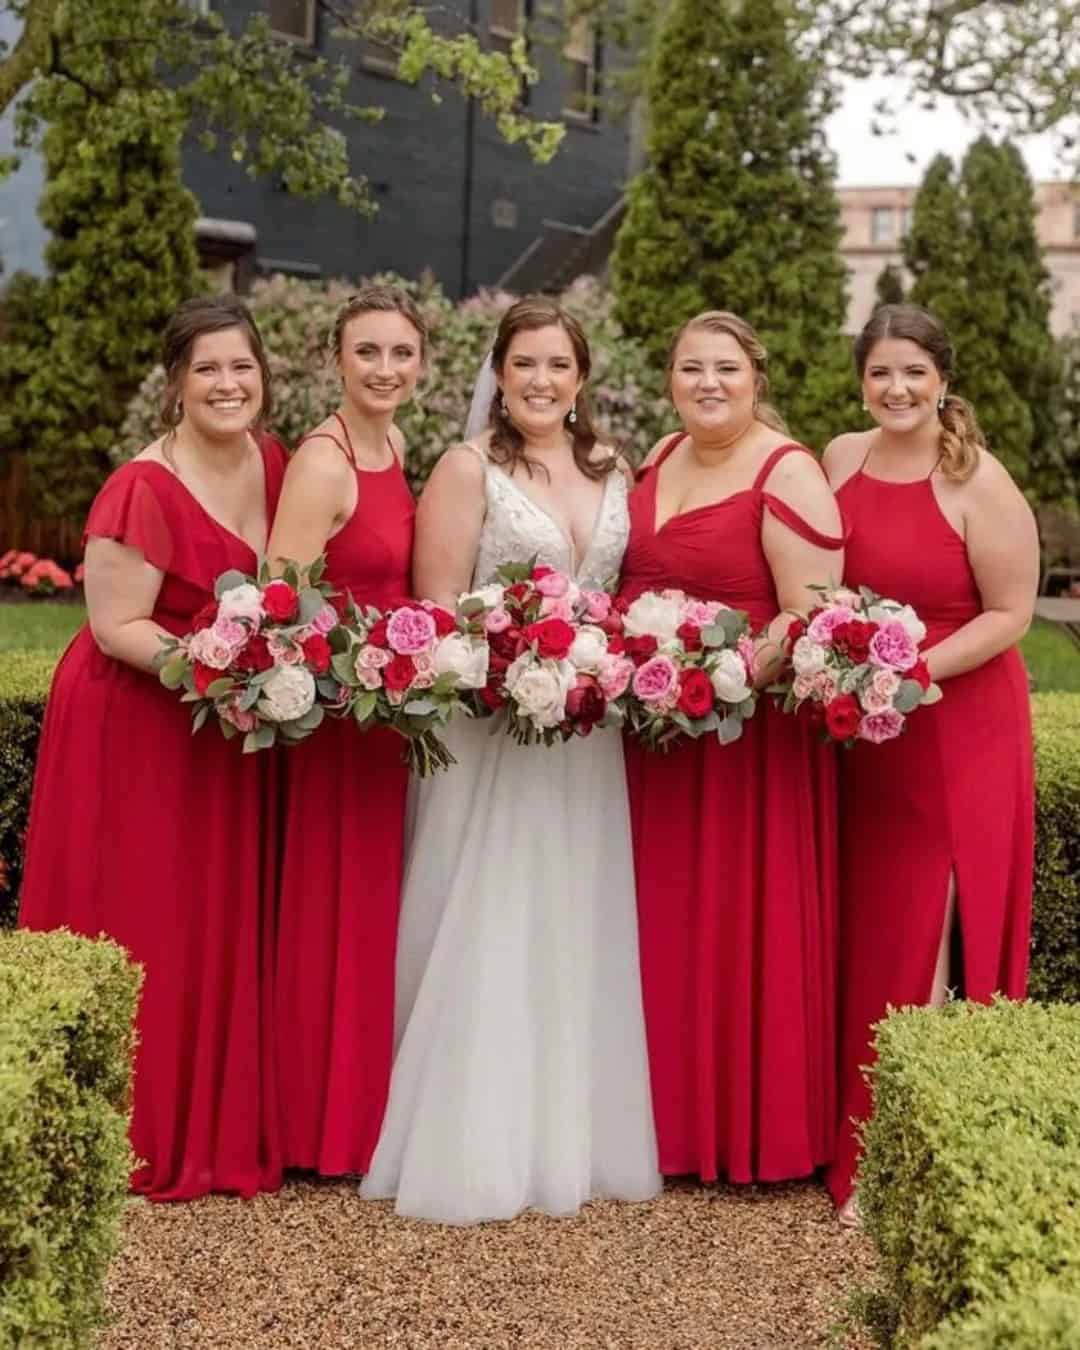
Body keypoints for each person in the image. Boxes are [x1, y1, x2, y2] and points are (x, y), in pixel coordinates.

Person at [360, 296, 660, 1222]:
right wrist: (517, 657)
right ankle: (470, 1139)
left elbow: (617, 594)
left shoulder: (614, 467)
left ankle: (573, 1131)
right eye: (524, 363)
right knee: (489, 909)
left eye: (558, 366)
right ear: (500, 372)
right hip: (491, 725)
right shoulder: (466, 468)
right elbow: (438, 610)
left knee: (575, 911)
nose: (541, 381)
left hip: (586, 730)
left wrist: (595, 660)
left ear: (581, 378)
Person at [19, 296, 287, 1201]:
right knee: (142, 908)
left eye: (241, 367)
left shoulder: (274, 463)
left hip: (217, 720)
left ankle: (212, 1121)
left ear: (262, 376)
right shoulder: (140, 486)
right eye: (207, 368)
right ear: (175, 384)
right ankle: (124, 1132)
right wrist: (225, 673)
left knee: (209, 909)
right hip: (133, 715)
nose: (227, 384)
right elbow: (114, 625)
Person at [822, 303, 1037, 1221]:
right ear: (861, 381)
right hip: (867, 738)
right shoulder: (838, 459)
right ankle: (846, 1129)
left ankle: (908, 1158)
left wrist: (902, 670)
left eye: (913, 372)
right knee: (868, 920)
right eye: (880, 373)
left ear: (942, 377)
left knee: (934, 918)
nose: (896, 389)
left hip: (959, 723)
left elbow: (1010, 613)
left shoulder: (977, 478)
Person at [620, 310, 845, 1185]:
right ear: (669, 378)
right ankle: (656, 1125)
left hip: (745, 742)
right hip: (650, 740)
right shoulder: (656, 459)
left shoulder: (789, 472)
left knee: (730, 923)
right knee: (654, 922)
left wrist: (729, 672)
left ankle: (742, 1129)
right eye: (689, 368)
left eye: (725, 368)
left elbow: (811, 608)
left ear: (757, 377)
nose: (706, 383)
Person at [266, 286, 421, 1176]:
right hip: (337, 717)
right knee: (334, 911)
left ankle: (361, 1109)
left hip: (390, 714)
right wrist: (356, 673)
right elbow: (279, 607)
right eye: (368, 353)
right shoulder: (323, 462)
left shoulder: (393, 445)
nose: (385, 370)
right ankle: (317, 1127)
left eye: (401, 353)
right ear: (337, 359)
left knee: (374, 913)